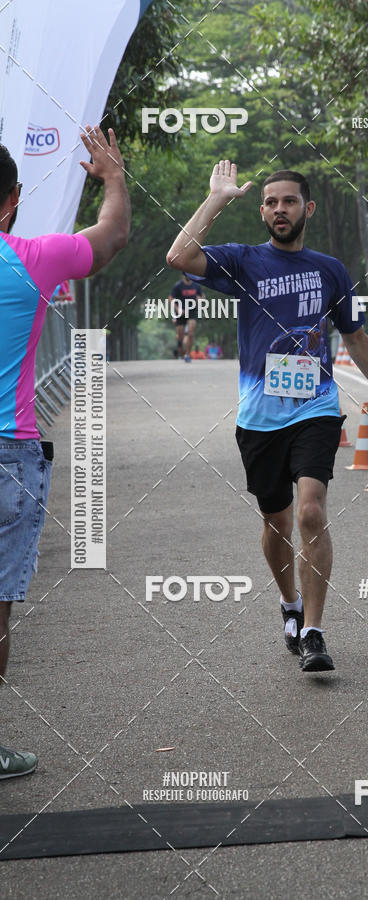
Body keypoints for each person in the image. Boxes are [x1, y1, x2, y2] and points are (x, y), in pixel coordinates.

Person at [167, 159, 368, 672]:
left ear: (308, 209)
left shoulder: (330, 270)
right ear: (262, 210)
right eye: (272, 202)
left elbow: (356, 337)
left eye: (290, 201)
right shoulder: (245, 261)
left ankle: (315, 633)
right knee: (275, 522)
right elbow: (179, 255)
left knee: (310, 511)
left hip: (316, 409)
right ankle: (290, 604)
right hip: (258, 417)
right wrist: (217, 198)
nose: (280, 209)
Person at [0, 126, 130, 778]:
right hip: (9, 456)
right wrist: (111, 176)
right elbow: (110, 239)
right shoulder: (33, 258)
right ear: (10, 202)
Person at [170, 273, 203, 362]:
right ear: (183, 275)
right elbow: (171, 299)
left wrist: (200, 299)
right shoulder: (178, 286)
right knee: (180, 335)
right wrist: (178, 309)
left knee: (191, 333)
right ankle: (181, 348)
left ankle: (188, 354)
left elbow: (202, 296)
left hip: (192, 311)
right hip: (180, 313)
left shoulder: (196, 285)